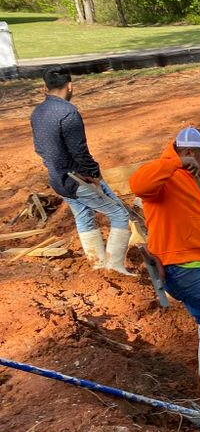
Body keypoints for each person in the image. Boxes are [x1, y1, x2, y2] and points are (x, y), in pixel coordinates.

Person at [129, 127, 200, 403]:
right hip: (179, 265)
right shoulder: (165, 181)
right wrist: (175, 163)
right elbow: (138, 185)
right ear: (189, 153)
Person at [29, 65, 134, 275]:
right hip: (77, 179)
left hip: (57, 178)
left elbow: (40, 148)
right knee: (120, 214)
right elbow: (80, 151)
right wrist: (94, 175)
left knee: (83, 215)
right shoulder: (68, 113)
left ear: (45, 87)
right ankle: (114, 267)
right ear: (70, 86)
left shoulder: (37, 112)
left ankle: (97, 264)